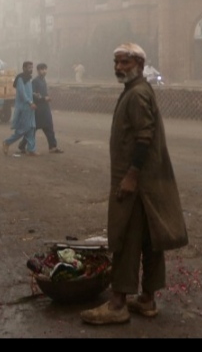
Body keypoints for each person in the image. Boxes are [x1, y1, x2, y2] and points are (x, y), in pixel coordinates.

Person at [81, 43, 188, 325]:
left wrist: (131, 176)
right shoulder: (136, 91)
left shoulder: (138, 94)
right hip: (145, 182)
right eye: (116, 62)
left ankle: (118, 303)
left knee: (126, 238)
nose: (119, 68)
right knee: (149, 240)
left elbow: (144, 136)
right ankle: (147, 299)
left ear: (139, 65)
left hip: (136, 182)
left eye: (125, 62)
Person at [3, 61, 38, 156]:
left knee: (31, 128)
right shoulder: (20, 79)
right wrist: (30, 102)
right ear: (24, 68)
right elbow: (22, 94)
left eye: (32, 67)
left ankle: (31, 149)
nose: (31, 69)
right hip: (24, 107)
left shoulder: (29, 79)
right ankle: (7, 142)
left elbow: (28, 92)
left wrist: (34, 95)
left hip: (30, 107)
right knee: (23, 129)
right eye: (29, 67)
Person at [32, 63, 63, 154]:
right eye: (42, 69)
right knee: (33, 129)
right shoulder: (35, 81)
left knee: (49, 127)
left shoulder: (43, 80)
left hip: (45, 108)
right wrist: (43, 98)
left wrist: (46, 98)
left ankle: (53, 147)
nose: (44, 71)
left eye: (45, 69)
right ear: (38, 71)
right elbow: (33, 94)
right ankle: (22, 145)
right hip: (38, 109)